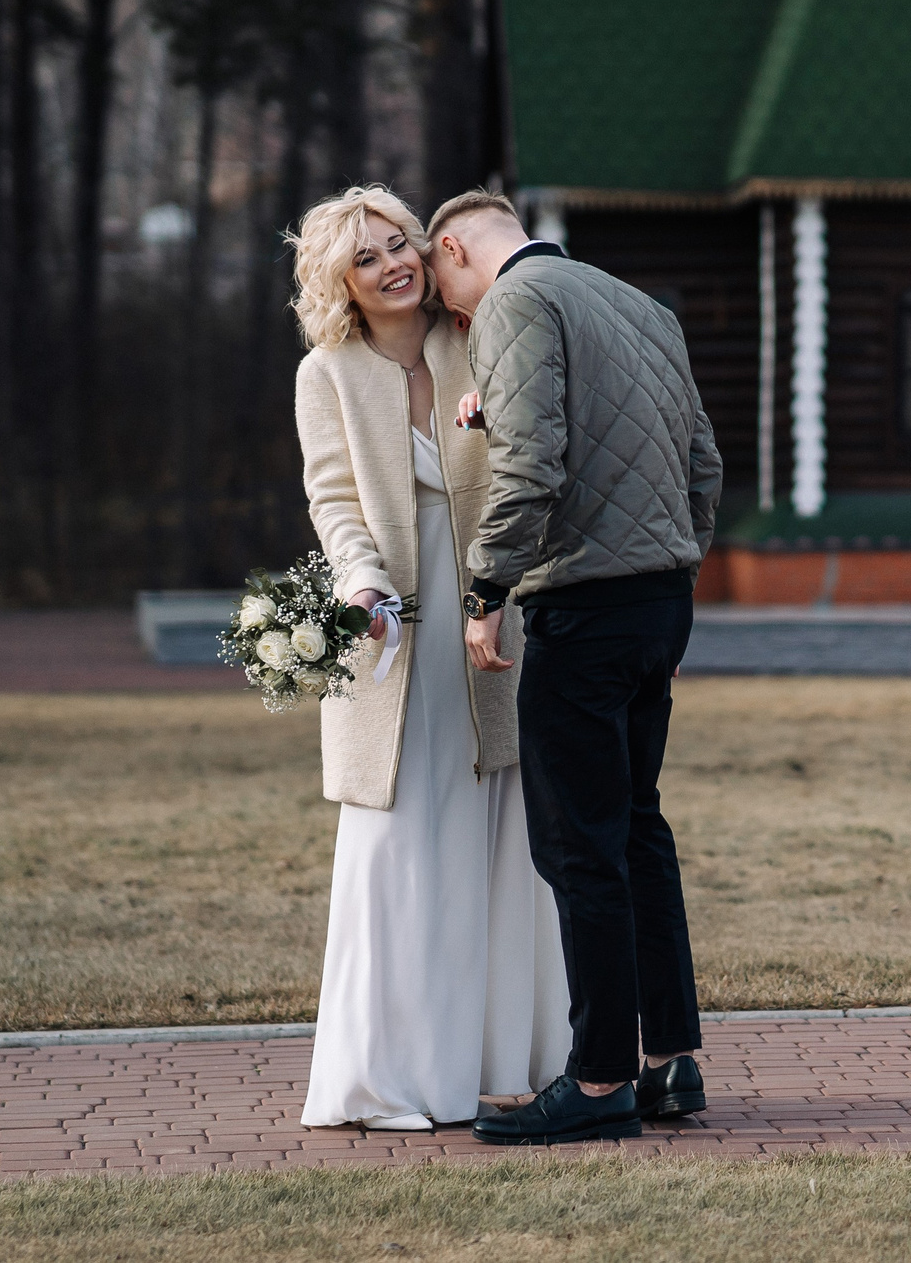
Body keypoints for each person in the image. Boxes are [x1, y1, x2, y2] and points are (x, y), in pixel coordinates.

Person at [423, 189, 724, 1147]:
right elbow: (703, 460)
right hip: (661, 601)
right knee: (638, 829)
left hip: (583, 609)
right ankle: (668, 1061)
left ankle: (598, 1081)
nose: (456, 318)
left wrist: (485, 590)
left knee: (579, 847)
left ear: (455, 246)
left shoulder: (518, 302)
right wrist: (673, 564)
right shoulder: (640, 305)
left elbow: (535, 463)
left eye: (446, 293)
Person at [286, 184, 571, 1129]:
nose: (392, 264)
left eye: (399, 244)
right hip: (394, 630)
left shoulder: (476, 337)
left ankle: (500, 1062)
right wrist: (364, 590)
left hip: (496, 612)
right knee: (396, 841)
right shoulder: (325, 373)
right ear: (341, 282)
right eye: (365, 258)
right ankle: (395, 1075)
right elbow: (335, 502)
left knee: (500, 828)